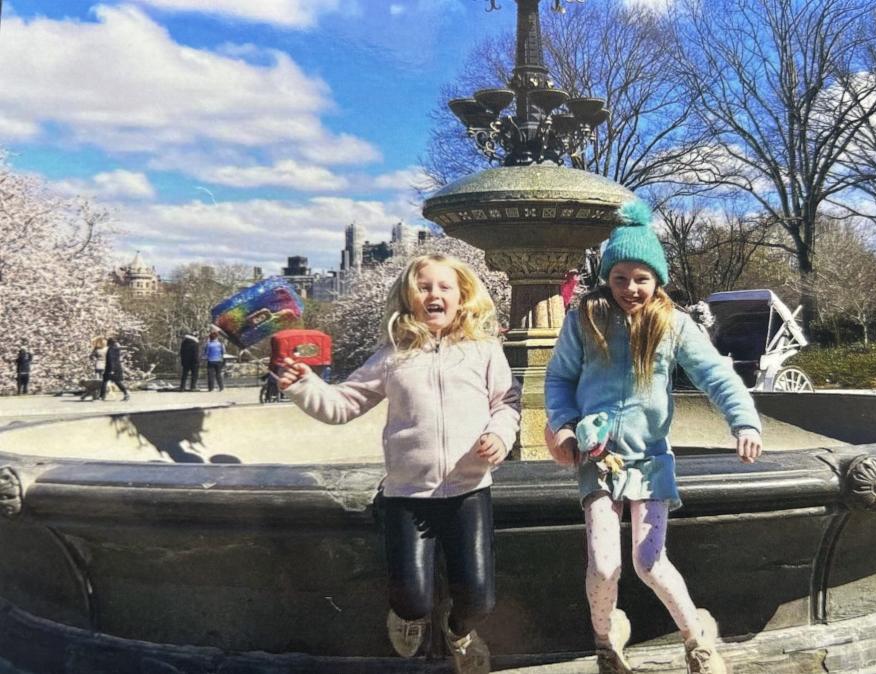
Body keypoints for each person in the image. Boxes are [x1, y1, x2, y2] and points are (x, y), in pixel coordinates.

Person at [544, 200, 763, 674]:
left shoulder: (674, 323)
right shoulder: (585, 319)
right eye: (620, 277)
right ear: (608, 276)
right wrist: (563, 424)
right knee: (605, 565)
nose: (630, 288)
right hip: (597, 459)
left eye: (641, 278)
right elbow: (558, 379)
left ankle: (697, 639)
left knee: (648, 560)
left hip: (650, 460)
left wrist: (744, 421)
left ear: (657, 279)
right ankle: (605, 638)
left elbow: (717, 377)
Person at [278, 254, 520, 674]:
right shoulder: (393, 356)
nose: (434, 294)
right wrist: (302, 384)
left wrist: (500, 435)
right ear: (409, 298)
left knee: (479, 598)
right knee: (411, 599)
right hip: (407, 496)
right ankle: (408, 617)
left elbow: (507, 403)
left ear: (463, 296)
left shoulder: (484, 351)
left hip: (468, 492)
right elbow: (343, 404)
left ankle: (460, 630)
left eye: (444, 287)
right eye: (424, 287)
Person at [99, 337, 130, 401]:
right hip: (116, 367)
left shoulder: (111, 349)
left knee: (107, 382)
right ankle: (126, 393)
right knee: (116, 381)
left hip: (111, 368)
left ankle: (102, 396)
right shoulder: (116, 349)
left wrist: (111, 370)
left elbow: (111, 360)